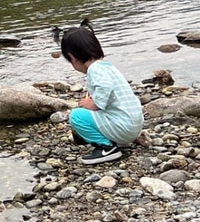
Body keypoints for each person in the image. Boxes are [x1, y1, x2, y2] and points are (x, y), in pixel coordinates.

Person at [52, 19, 144, 164]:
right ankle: (115, 140)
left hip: (123, 128)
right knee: (90, 107)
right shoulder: (108, 67)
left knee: (76, 116)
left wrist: (94, 104)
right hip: (133, 126)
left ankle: (106, 147)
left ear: (72, 58)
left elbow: (104, 86)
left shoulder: (94, 69)